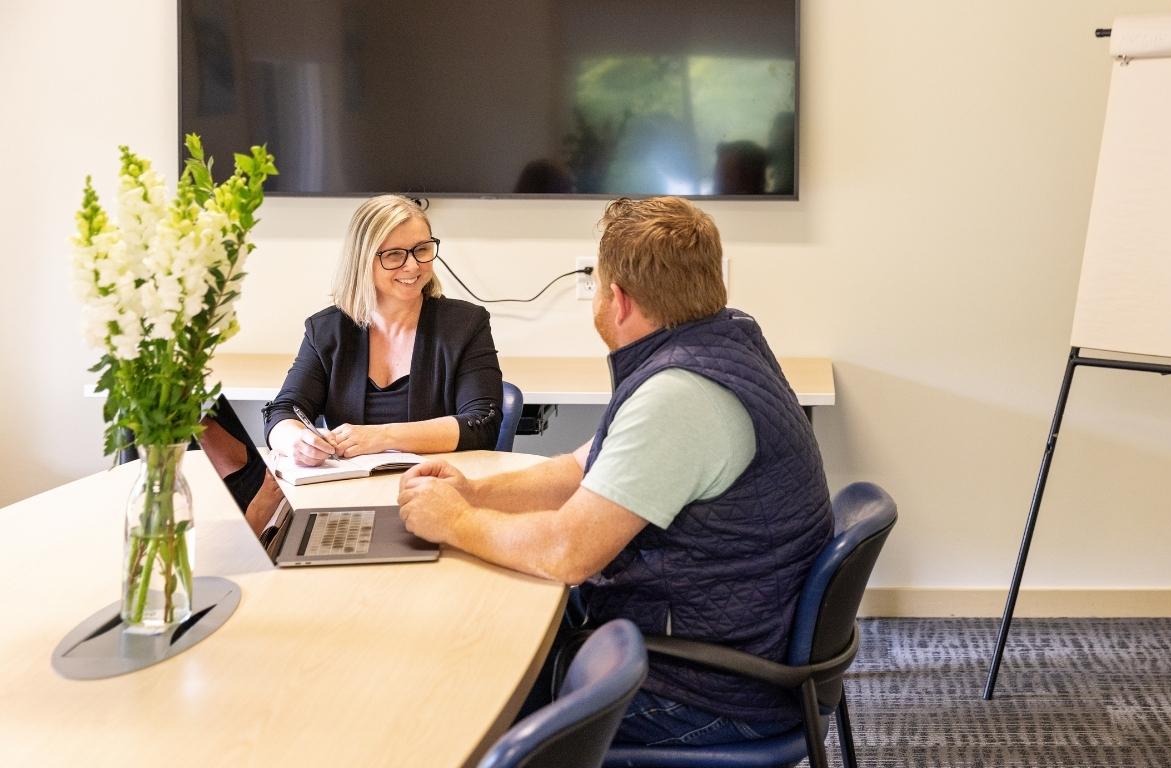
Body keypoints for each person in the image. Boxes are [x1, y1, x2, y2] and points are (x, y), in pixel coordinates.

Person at [396, 196, 832, 745]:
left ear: (618, 301)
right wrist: (476, 493)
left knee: (462, 709)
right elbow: (583, 469)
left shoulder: (679, 397)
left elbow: (566, 554)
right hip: (729, 643)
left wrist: (456, 522)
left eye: (597, 283)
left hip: (709, 692)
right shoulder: (719, 343)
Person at [263, 195, 502, 466]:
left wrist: (383, 436)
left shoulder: (465, 324)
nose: (412, 266)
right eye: (394, 255)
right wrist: (295, 441)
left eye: (422, 249)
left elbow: (483, 423)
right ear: (362, 261)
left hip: (439, 488)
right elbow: (283, 412)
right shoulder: (327, 331)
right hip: (351, 496)